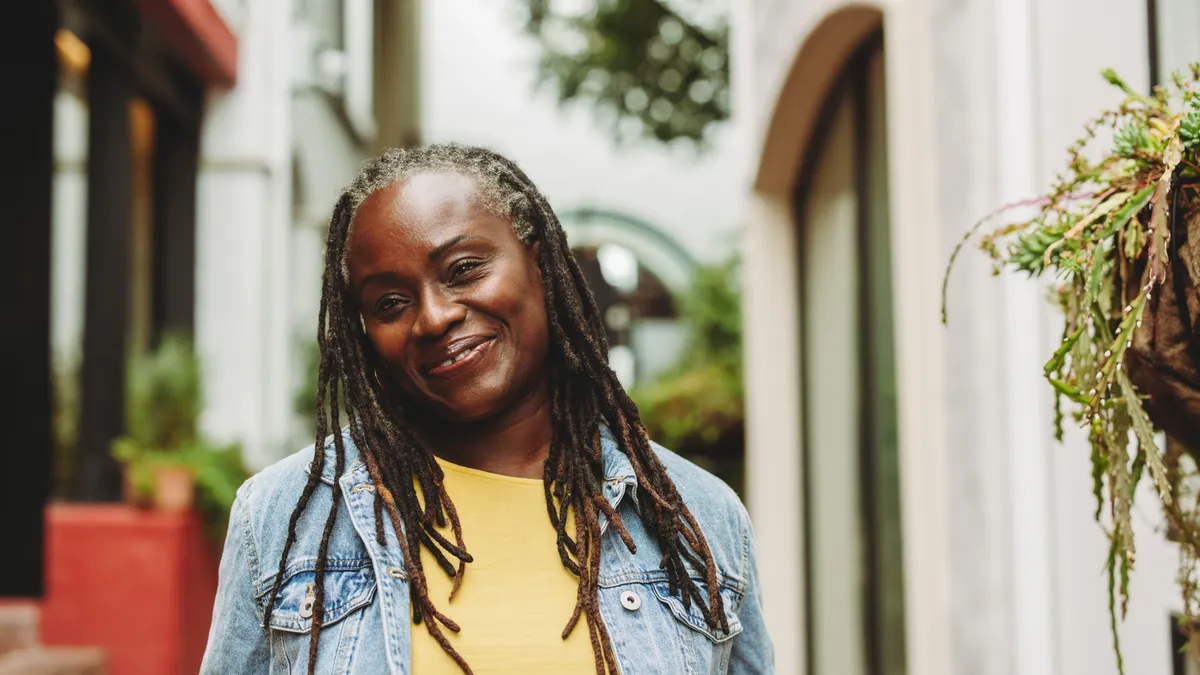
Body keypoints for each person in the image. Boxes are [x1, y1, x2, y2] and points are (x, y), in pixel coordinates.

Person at [199, 144, 773, 674]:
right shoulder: (286, 518)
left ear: (541, 265)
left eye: (464, 269)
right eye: (391, 302)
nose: (434, 317)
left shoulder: (694, 514)